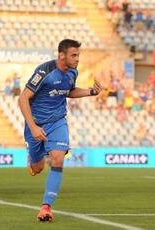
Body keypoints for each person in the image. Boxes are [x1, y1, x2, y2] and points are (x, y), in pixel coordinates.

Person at [18, 39, 103, 222]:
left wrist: (91, 92)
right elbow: (23, 98)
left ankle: (46, 207)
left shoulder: (73, 72)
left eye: (78, 55)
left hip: (57, 122)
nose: (77, 59)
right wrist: (33, 127)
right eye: (74, 55)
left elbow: (69, 91)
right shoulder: (44, 71)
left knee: (57, 159)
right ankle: (33, 160)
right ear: (61, 55)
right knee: (38, 167)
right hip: (36, 124)